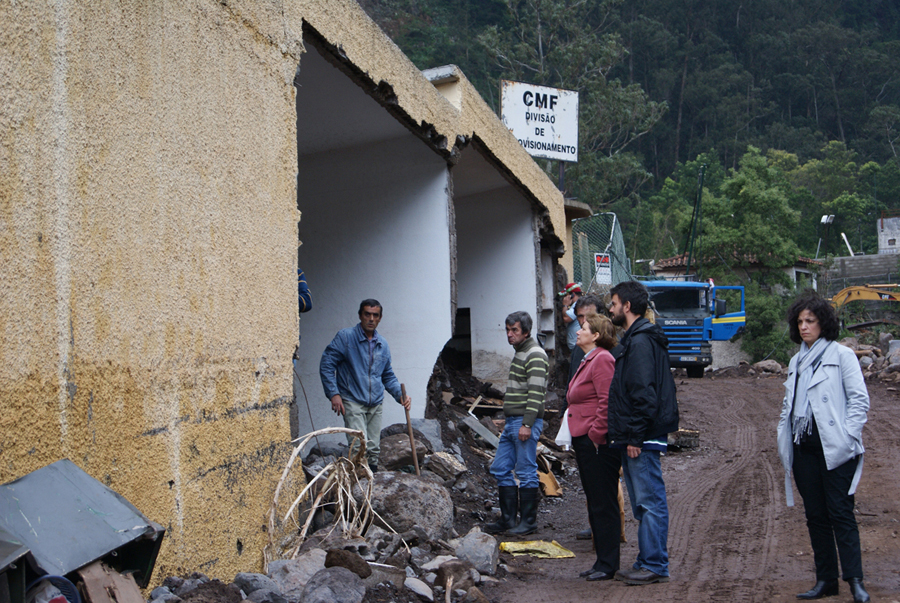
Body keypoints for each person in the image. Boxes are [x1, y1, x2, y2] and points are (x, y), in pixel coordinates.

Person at [777, 293, 870, 603]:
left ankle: (855, 580)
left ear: (823, 323)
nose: (804, 327)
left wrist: (846, 437)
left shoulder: (841, 356)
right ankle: (826, 580)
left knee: (841, 513)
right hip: (803, 448)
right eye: (800, 322)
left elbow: (859, 400)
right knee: (815, 516)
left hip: (835, 449)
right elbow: (790, 405)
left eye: (810, 321)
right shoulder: (796, 360)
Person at [607, 280, 679, 586]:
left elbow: (643, 395)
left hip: (643, 437)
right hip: (638, 435)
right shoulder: (638, 338)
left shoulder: (639, 343)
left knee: (649, 502)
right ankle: (647, 559)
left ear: (626, 306)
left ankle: (654, 564)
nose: (609, 309)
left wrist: (635, 437)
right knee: (642, 503)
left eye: (613, 303)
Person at [319, 299, 411, 473]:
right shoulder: (346, 337)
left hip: (375, 402)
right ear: (360, 316)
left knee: (374, 448)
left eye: (375, 315)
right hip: (352, 399)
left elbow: (387, 375)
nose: (371, 318)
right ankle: (356, 484)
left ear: (380, 318)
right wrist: (333, 393)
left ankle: (371, 485)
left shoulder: (382, 344)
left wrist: (400, 395)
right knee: (358, 447)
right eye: (367, 314)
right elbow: (327, 364)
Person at [567, 312, 621, 581]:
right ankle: (601, 560)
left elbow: (607, 400)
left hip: (596, 443)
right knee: (595, 501)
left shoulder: (602, 359)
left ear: (596, 335)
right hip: (585, 440)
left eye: (584, 328)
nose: (578, 331)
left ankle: (608, 564)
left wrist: (595, 435)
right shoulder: (589, 359)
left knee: (603, 502)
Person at [484, 311, 548, 536]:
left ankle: (528, 522)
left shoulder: (535, 354)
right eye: (507, 330)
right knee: (501, 468)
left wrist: (527, 424)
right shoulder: (520, 352)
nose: (509, 335)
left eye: (514, 331)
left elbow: (536, 394)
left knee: (526, 471)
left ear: (527, 332)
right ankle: (509, 520)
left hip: (524, 421)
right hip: (513, 421)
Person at [559, 282, 583, 351]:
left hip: (577, 346)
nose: (564, 298)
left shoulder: (578, 304)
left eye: (566, 295)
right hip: (575, 346)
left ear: (573, 294)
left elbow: (566, 318)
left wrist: (565, 305)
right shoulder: (575, 305)